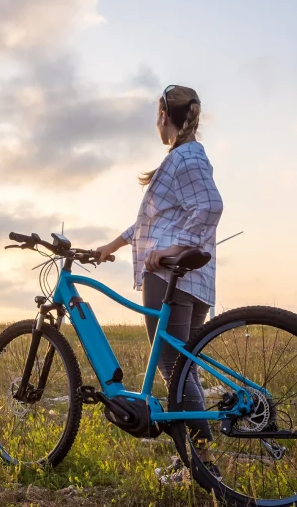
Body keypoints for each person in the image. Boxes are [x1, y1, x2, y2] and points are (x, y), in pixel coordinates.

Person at [94, 84, 223, 458]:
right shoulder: (186, 157)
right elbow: (154, 222)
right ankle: (199, 457)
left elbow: (210, 206)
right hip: (194, 278)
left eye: (157, 115)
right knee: (184, 369)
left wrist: (174, 249)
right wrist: (112, 246)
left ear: (164, 116)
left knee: (172, 366)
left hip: (169, 274)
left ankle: (200, 459)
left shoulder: (185, 158)